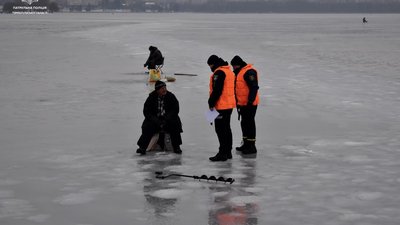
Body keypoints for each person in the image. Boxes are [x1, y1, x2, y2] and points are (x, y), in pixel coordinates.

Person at [136, 80, 183, 155]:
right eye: (162, 88)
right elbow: (147, 112)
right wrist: (156, 120)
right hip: (155, 120)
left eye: (165, 87)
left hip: (167, 119)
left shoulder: (171, 96)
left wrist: (166, 119)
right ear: (157, 90)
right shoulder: (151, 97)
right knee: (148, 126)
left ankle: (176, 146)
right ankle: (143, 147)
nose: (164, 89)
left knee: (175, 123)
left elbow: (175, 110)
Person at [207, 55, 236, 161]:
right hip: (229, 105)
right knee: (227, 129)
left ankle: (222, 153)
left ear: (213, 63)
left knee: (220, 129)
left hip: (221, 106)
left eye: (210, 65)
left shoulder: (219, 73)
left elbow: (217, 90)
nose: (210, 67)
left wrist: (211, 102)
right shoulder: (229, 71)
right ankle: (228, 152)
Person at [230, 55, 259, 155]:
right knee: (244, 123)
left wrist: (250, 101)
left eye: (234, 66)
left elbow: (254, 87)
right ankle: (246, 144)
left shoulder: (249, 72)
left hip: (250, 104)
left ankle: (252, 146)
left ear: (238, 64)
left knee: (249, 123)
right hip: (242, 104)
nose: (233, 68)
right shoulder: (239, 72)